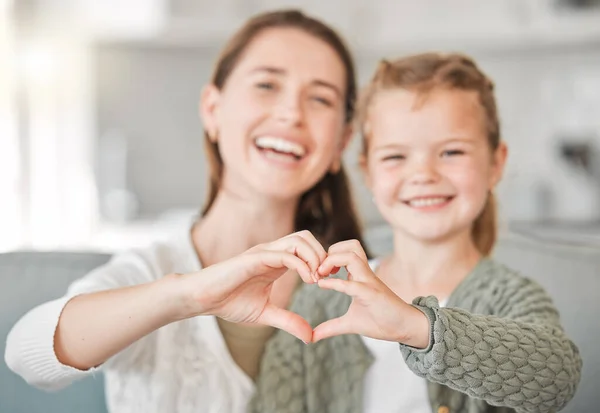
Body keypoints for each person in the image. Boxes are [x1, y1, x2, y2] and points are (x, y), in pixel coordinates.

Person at [5, 9, 367, 413]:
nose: (291, 114)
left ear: (341, 142)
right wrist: (191, 295)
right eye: (267, 85)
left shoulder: (361, 285)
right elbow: (27, 351)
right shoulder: (151, 268)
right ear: (212, 109)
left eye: (320, 98)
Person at [252, 53, 582, 413]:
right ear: (368, 173)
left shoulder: (509, 297)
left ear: (495, 163)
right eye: (395, 157)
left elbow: (557, 378)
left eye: (451, 152)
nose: (423, 174)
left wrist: (417, 327)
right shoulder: (323, 298)